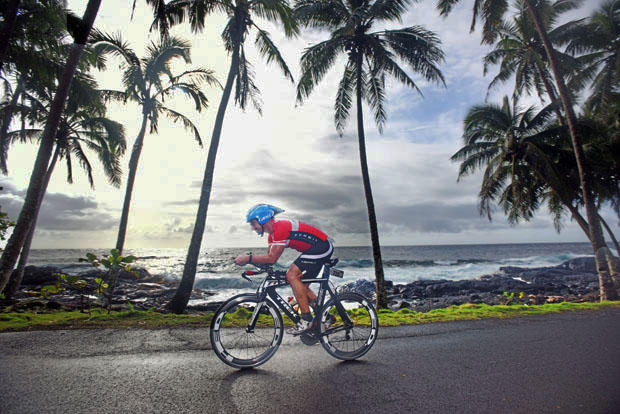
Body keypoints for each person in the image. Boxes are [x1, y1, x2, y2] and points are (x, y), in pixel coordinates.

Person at [234, 204, 333, 335]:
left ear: (263, 219)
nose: (253, 228)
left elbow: (272, 258)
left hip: (322, 247)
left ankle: (306, 320)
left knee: (291, 275)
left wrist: (248, 258)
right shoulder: (272, 236)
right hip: (314, 249)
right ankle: (326, 317)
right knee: (301, 287)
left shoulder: (280, 228)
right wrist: (253, 265)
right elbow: (268, 261)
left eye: (253, 223)